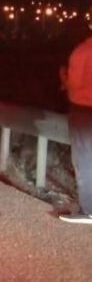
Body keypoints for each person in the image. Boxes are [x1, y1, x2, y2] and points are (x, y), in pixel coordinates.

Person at [59, 13, 92, 224]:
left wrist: (63, 77)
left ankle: (88, 210)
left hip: (84, 112)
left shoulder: (83, 51)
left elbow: (75, 86)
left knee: (85, 161)